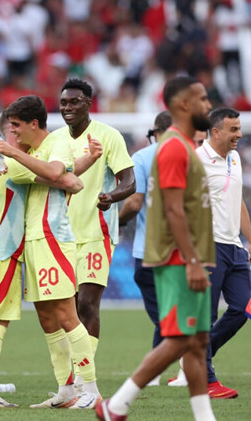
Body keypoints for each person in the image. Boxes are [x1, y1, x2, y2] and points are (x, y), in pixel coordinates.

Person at [97, 75, 217, 421]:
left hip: (189, 258)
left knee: (196, 342)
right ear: (183, 104)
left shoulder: (185, 147)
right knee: (180, 340)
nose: (208, 105)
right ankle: (116, 406)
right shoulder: (174, 149)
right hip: (178, 260)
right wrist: (193, 261)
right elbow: (173, 209)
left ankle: (204, 417)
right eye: (203, 99)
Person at [0, 112, 84, 408]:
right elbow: (63, 179)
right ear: (5, 138)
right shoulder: (15, 165)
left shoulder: (1, 162)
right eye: (14, 134)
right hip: (2, 250)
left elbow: (48, 173)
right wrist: (77, 174)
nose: (20, 140)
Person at [0, 95, 101, 409]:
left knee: (67, 314)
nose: (12, 133)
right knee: (46, 317)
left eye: (16, 126)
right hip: (33, 241)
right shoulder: (34, 151)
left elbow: (56, 172)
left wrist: (12, 152)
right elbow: (64, 177)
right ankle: (66, 389)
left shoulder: (56, 142)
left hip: (53, 237)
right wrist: (84, 163)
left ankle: (90, 389)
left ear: (34, 124)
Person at [181, 107, 251, 398]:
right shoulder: (195, 161)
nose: (239, 134)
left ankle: (196, 354)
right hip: (207, 246)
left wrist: (250, 241)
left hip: (235, 246)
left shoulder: (235, 158)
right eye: (234, 129)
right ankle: (207, 379)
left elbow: (236, 199)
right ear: (216, 132)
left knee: (243, 308)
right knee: (206, 316)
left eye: (239, 128)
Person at [55, 78, 135, 367]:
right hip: (61, 237)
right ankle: (72, 379)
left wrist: (111, 197)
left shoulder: (108, 136)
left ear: (88, 103)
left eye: (74, 101)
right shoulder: (55, 139)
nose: (68, 107)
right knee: (69, 310)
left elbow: (130, 181)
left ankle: (83, 381)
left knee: (88, 305)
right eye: (64, 102)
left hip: (95, 233)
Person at [117, 110, 172, 386]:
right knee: (172, 318)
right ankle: (163, 371)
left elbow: (134, 202)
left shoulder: (143, 157)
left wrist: (117, 222)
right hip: (186, 251)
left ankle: (153, 373)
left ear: (158, 131)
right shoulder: (193, 157)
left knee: (166, 318)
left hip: (149, 251)